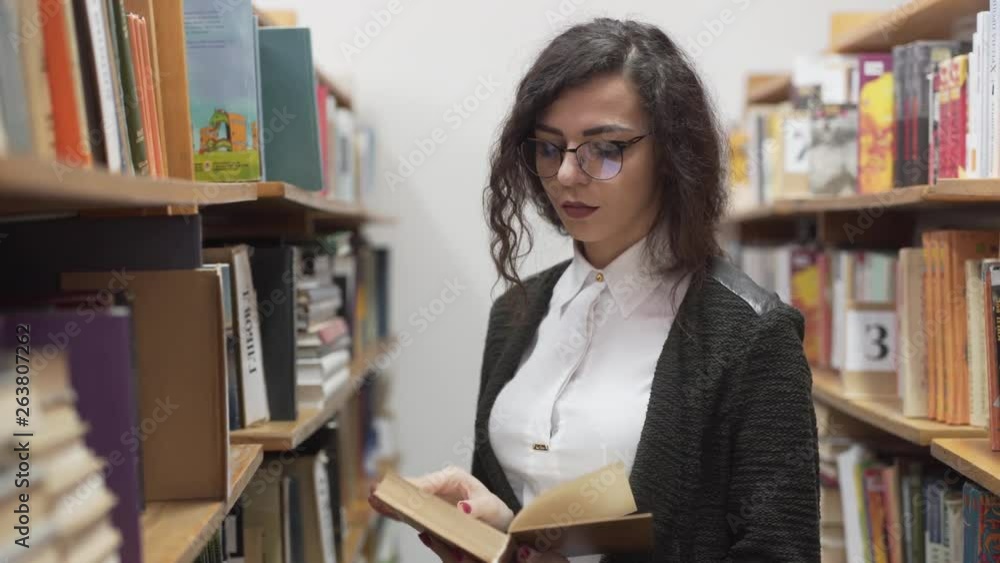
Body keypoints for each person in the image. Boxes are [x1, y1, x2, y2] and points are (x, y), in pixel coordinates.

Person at [370, 17, 820, 563]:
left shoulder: (752, 335)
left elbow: (781, 551)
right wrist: (495, 527)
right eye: (549, 148)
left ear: (672, 155)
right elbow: (533, 527)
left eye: (603, 149)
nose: (565, 175)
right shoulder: (516, 311)